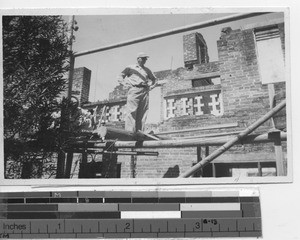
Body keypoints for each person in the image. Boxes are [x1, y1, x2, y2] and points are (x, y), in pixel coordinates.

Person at [117, 52, 157, 133]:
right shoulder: (130, 67)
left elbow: (154, 79)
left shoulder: (147, 70)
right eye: (143, 58)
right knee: (132, 112)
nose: (145, 60)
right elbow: (120, 76)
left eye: (145, 59)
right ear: (138, 59)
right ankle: (130, 133)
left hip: (144, 91)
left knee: (143, 112)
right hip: (134, 90)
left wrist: (151, 87)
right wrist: (125, 84)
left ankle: (139, 133)